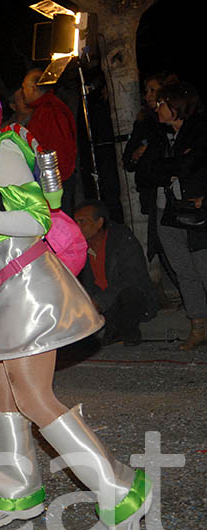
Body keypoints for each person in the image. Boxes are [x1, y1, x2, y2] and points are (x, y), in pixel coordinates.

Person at [0, 66, 150, 530]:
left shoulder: (0, 149)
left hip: (27, 277)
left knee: (31, 394)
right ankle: (16, 492)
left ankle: (120, 490)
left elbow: (33, 218)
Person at [135, 81, 207, 350]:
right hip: (167, 211)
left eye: (163, 103)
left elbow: (189, 167)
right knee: (183, 270)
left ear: (178, 107)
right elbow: (143, 173)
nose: (157, 106)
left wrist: (169, 166)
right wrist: (174, 166)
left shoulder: (199, 131)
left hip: (196, 210)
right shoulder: (157, 133)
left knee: (203, 267)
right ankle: (198, 326)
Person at [122, 72, 180, 290]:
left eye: (154, 91)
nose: (148, 96)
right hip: (157, 195)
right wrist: (138, 155)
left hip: (186, 195)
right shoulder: (145, 124)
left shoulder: (185, 123)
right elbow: (129, 161)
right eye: (146, 91)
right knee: (163, 246)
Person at [74, 200, 158, 346]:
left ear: (99, 222)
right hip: (103, 301)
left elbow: (132, 277)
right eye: (75, 222)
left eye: (82, 222)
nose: (77, 227)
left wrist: (100, 301)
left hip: (127, 298)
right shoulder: (78, 246)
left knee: (130, 293)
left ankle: (129, 329)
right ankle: (110, 328)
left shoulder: (122, 239)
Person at [22, 68, 79, 212]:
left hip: (55, 185)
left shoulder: (50, 110)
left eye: (24, 88)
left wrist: (55, 183)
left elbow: (60, 150)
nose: (23, 93)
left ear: (33, 88)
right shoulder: (43, 109)